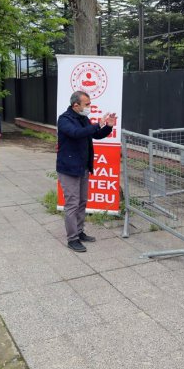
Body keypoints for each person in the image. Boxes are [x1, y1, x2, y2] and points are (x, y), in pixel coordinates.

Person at [57, 91, 117, 252]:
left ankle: (79, 231)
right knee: (72, 204)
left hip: (82, 167)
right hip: (69, 168)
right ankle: (72, 239)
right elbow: (76, 134)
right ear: (76, 105)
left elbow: (95, 134)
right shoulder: (64, 119)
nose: (89, 107)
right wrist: (97, 124)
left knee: (82, 201)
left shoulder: (83, 118)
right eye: (87, 104)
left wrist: (108, 126)